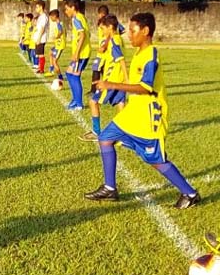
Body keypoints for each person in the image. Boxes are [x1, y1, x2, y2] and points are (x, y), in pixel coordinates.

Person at [84, 12, 200, 209]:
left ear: (145, 31)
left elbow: (146, 87)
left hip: (149, 117)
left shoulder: (151, 54)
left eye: (132, 30)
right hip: (133, 113)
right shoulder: (139, 53)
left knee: (155, 160)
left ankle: (190, 193)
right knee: (105, 138)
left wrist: (112, 84)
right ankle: (110, 188)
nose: (129, 34)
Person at [81, 14, 126, 141]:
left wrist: (127, 80)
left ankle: (96, 132)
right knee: (120, 103)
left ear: (110, 27)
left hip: (111, 80)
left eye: (103, 28)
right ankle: (124, 133)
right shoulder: (117, 38)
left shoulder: (114, 41)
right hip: (119, 79)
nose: (102, 31)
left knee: (93, 101)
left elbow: (121, 60)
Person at [64, 0, 91, 110]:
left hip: (82, 54)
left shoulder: (76, 19)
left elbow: (83, 35)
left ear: (73, 8)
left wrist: (76, 53)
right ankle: (75, 99)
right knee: (70, 74)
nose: (66, 12)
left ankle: (78, 103)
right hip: (82, 52)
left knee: (74, 75)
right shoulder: (81, 17)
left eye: (67, 9)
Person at [33, 1, 50, 74]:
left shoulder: (44, 17)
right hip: (38, 37)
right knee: (39, 54)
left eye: (37, 7)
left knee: (41, 54)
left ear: (41, 7)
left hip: (41, 38)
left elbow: (42, 28)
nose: (36, 9)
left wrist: (39, 38)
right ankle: (40, 68)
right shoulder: (40, 16)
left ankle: (41, 69)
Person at [48, 9, 65, 76]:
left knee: (55, 61)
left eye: (51, 17)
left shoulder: (59, 23)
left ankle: (60, 76)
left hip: (60, 46)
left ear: (55, 16)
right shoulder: (58, 23)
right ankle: (51, 70)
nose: (51, 19)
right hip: (57, 44)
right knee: (50, 52)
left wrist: (57, 37)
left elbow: (61, 31)